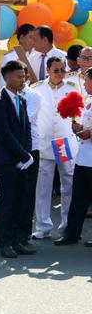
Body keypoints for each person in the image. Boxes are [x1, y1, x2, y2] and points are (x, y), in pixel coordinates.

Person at [0, 61, 37, 258]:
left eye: (24, 76)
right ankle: (5, 241)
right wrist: (22, 155)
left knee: (21, 199)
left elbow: (26, 129)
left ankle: (18, 240)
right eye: (19, 76)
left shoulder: (22, 100)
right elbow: (4, 133)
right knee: (7, 201)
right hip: (6, 160)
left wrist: (26, 154)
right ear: (7, 78)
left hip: (21, 159)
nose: (22, 80)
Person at [30, 56, 78, 240]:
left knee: (68, 185)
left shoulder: (72, 89)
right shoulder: (36, 89)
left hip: (65, 142)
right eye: (56, 70)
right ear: (48, 70)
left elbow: (78, 114)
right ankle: (42, 226)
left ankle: (66, 225)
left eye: (62, 70)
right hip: (45, 142)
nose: (60, 74)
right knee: (43, 186)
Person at [57, 68, 92, 246]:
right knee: (78, 198)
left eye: (86, 81)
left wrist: (89, 133)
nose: (84, 84)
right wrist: (78, 127)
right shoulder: (88, 102)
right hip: (84, 157)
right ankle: (72, 234)